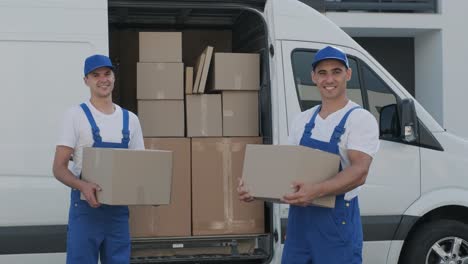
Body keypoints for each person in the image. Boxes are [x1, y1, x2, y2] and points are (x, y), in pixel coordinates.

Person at [238, 46, 379, 263]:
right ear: (313, 77)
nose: (329, 79)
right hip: (300, 226)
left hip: (336, 225)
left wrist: (315, 191)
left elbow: (359, 172)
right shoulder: (303, 120)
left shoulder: (359, 119)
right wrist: (255, 188)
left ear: (348, 74)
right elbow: (287, 172)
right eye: (322, 73)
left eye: (336, 71)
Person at [52, 54, 144, 264]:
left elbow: (139, 168)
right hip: (85, 209)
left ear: (114, 77)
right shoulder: (75, 116)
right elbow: (58, 168)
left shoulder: (131, 120)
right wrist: (82, 185)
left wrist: (149, 192)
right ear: (86, 80)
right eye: (96, 75)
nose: (103, 79)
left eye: (107, 73)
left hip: (118, 212)